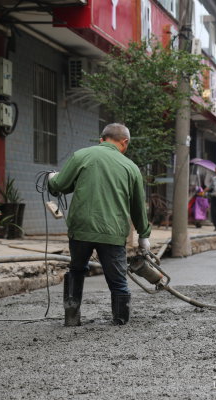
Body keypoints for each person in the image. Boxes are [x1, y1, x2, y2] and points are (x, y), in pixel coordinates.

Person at [47, 123, 151, 326]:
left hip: (81, 229)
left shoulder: (82, 156)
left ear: (101, 139)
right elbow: (138, 207)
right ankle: (120, 319)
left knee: (77, 269)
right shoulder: (131, 167)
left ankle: (71, 318)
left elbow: (60, 185)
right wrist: (144, 236)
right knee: (118, 279)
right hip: (112, 232)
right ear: (125, 143)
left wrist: (52, 178)